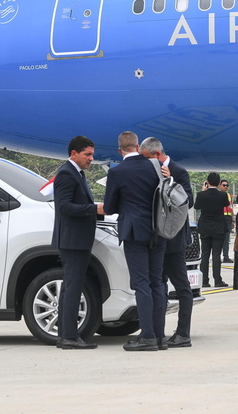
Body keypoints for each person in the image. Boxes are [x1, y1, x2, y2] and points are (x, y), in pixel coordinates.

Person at [103, 131, 165, 351]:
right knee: (157, 282)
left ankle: (147, 336)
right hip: (157, 231)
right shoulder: (154, 167)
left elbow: (109, 207)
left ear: (120, 150)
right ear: (138, 146)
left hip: (133, 231)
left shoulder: (117, 172)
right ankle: (159, 336)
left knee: (141, 284)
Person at [51, 135, 105, 350]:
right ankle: (69, 337)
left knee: (70, 288)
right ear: (74, 154)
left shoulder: (77, 174)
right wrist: (94, 209)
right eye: (87, 154)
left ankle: (66, 335)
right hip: (73, 241)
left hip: (77, 239)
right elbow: (64, 207)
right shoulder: (66, 174)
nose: (91, 158)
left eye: (92, 154)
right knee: (73, 288)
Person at [140, 137, 194, 348]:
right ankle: (156, 331)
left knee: (182, 286)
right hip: (156, 238)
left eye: (145, 158)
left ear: (155, 155)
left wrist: (171, 182)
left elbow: (189, 201)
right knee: (158, 284)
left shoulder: (178, 171)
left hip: (174, 239)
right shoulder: (150, 171)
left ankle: (183, 333)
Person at [194, 172, 230, 289]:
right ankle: (218, 280)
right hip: (218, 227)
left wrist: (204, 191)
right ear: (219, 183)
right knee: (216, 254)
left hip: (205, 227)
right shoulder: (223, 195)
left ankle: (204, 280)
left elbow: (196, 206)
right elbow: (226, 204)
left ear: (207, 182)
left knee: (205, 254)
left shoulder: (201, 195)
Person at [220, 179, 235, 263]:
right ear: (220, 185)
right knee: (219, 239)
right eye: (224, 185)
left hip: (228, 219)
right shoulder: (217, 195)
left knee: (226, 238)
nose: (225, 187)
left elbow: (231, 208)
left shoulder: (229, 195)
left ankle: (226, 256)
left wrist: (233, 221)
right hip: (220, 218)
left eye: (227, 185)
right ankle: (217, 256)